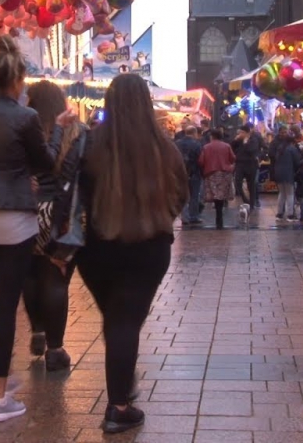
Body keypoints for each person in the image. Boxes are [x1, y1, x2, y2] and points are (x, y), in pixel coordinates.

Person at [0, 36, 74, 422]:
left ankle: (1, 383)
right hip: (15, 218)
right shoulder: (25, 118)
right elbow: (47, 164)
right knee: (6, 302)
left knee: (8, 294)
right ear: (17, 81)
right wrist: (57, 128)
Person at [77, 74, 187, 433]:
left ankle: (122, 385)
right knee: (125, 321)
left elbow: (74, 192)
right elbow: (180, 197)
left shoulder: (90, 146)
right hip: (148, 248)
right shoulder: (165, 149)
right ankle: (118, 404)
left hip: (97, 248)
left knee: (116, 319)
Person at [22, 80, 84, 372]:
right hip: (60, 213)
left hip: (27, 210)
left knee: (31, 274)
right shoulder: (75, 131)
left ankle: (38, 330)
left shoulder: (24, 130)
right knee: (56, 276)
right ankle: (55, 349)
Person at [199, 127, 236, 229]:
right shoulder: (227, 146)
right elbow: (232, 158)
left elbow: (201, 161)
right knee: (222, 194)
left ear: (212, 136)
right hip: (225, 173)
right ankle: (220, 217)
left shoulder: (206, 147)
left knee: (215, 195)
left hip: (211, 173)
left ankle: (218, 216)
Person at [175, 126, 204, 226]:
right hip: (194, 172)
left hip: (180, 173)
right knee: (194, 196)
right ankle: (193, 216)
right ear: (194, 133)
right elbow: (201, 159)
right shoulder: (197, 144)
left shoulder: (177, 143)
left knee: (183, 196)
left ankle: (184, 217)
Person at [231, 124, 264, 209]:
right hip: (240, 164)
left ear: (247, 133)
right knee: (237, 182)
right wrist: (235, 140)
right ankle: (245, 200)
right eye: (240, 132)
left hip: (251, 164)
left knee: (251, 185)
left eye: (242, 132)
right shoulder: (238, 140)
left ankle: (252, 203)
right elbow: (231, 148)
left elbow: (251, 150)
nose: (240, 134)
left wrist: (245, 143)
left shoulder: (254, 140)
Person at [272, 128, 302, 220]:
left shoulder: (280, 148)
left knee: (282, 193)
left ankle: (279, 213)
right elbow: (297, 161)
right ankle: (290, 214)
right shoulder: (292, 149)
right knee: (290, 194)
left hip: (278, 173)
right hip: (288, 173)